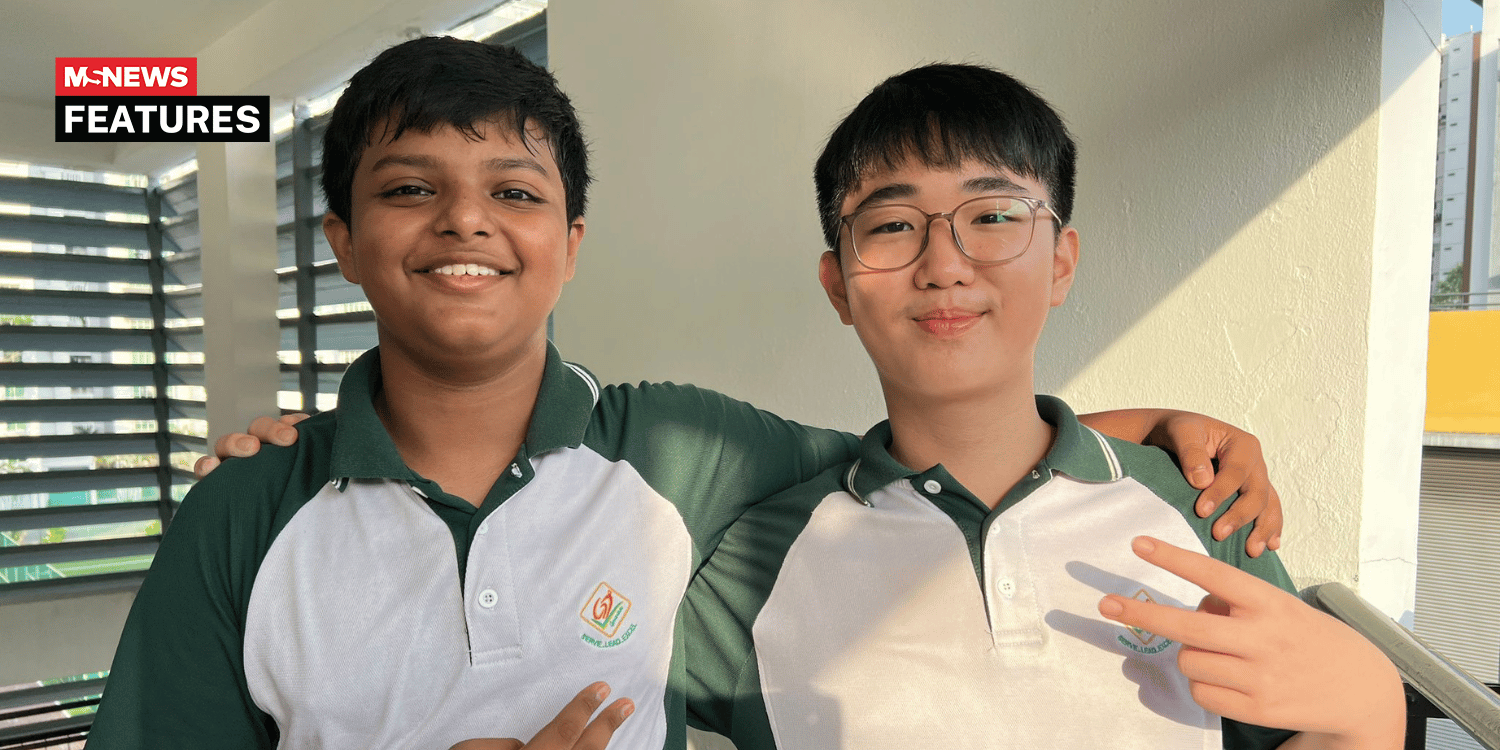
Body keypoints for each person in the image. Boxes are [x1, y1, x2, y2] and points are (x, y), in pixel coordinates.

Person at [119, 37, 1283, 749]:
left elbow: (931, 456)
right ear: (340, 239)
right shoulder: (243, 514)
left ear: (572, 243)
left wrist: (1140, 437)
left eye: (513, 193)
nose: (465, 220)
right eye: (410, 188)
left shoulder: (676, 449)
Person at [681, 63, 1404, 749]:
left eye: (994, 215)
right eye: (893, 225)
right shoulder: (749, 568)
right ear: (839, 285)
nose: (943, 265)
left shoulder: (1203, 508)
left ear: (1060, 262)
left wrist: (1372, 707)